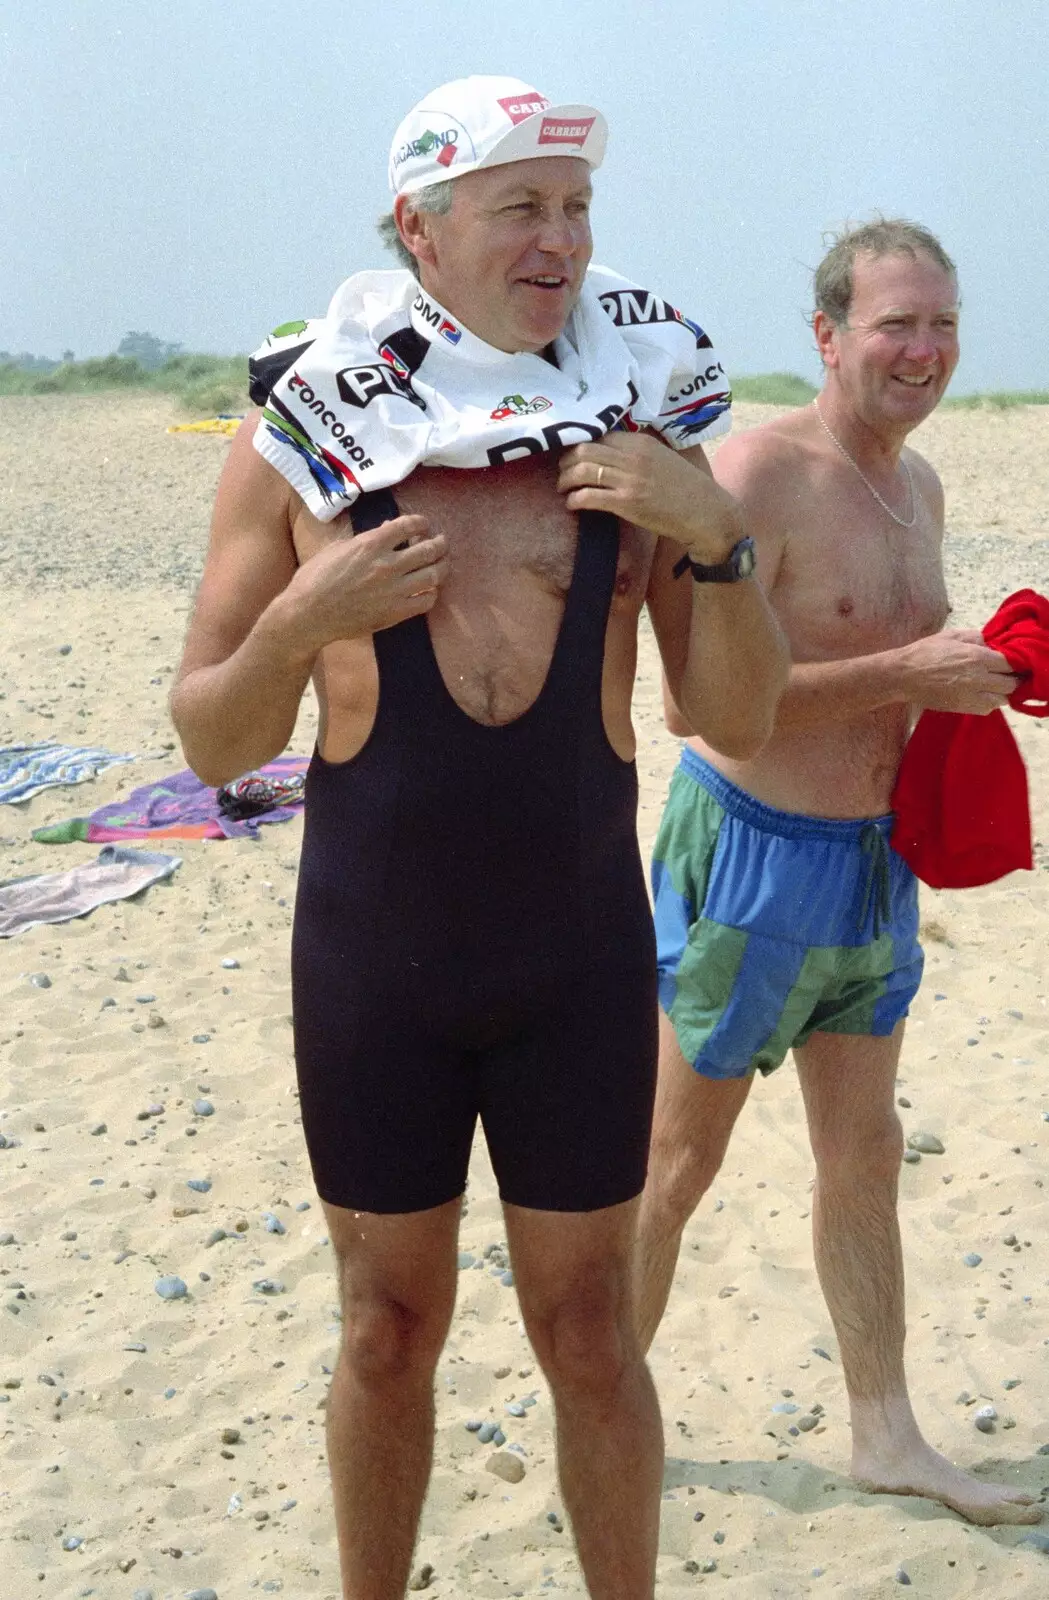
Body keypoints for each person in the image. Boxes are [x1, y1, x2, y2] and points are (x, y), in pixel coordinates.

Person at [170, 76, 787, 1600]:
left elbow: (741, 718)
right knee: (386, 1327)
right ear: (419, 230)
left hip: (574, 954)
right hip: (379, 958)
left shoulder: (643, 431)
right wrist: (304, 621)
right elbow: (209, 737)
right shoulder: (303, 437)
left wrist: (715, 539)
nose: (560, 242)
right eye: (521, 207)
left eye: (577, 209)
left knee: (592, 1334)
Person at [637, 219, 1041, 1527]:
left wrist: (980, 678)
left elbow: (899, 667)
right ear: (827, 336)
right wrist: (904, 675)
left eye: (941, 325)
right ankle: (605, 1398)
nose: (923, 350)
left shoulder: (917, 488)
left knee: (864, 1152)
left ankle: (885, 1432)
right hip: (751, 862)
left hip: (874, 869)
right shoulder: (759, 474)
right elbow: (704, 707)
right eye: (894, 325)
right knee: (675, 1163)